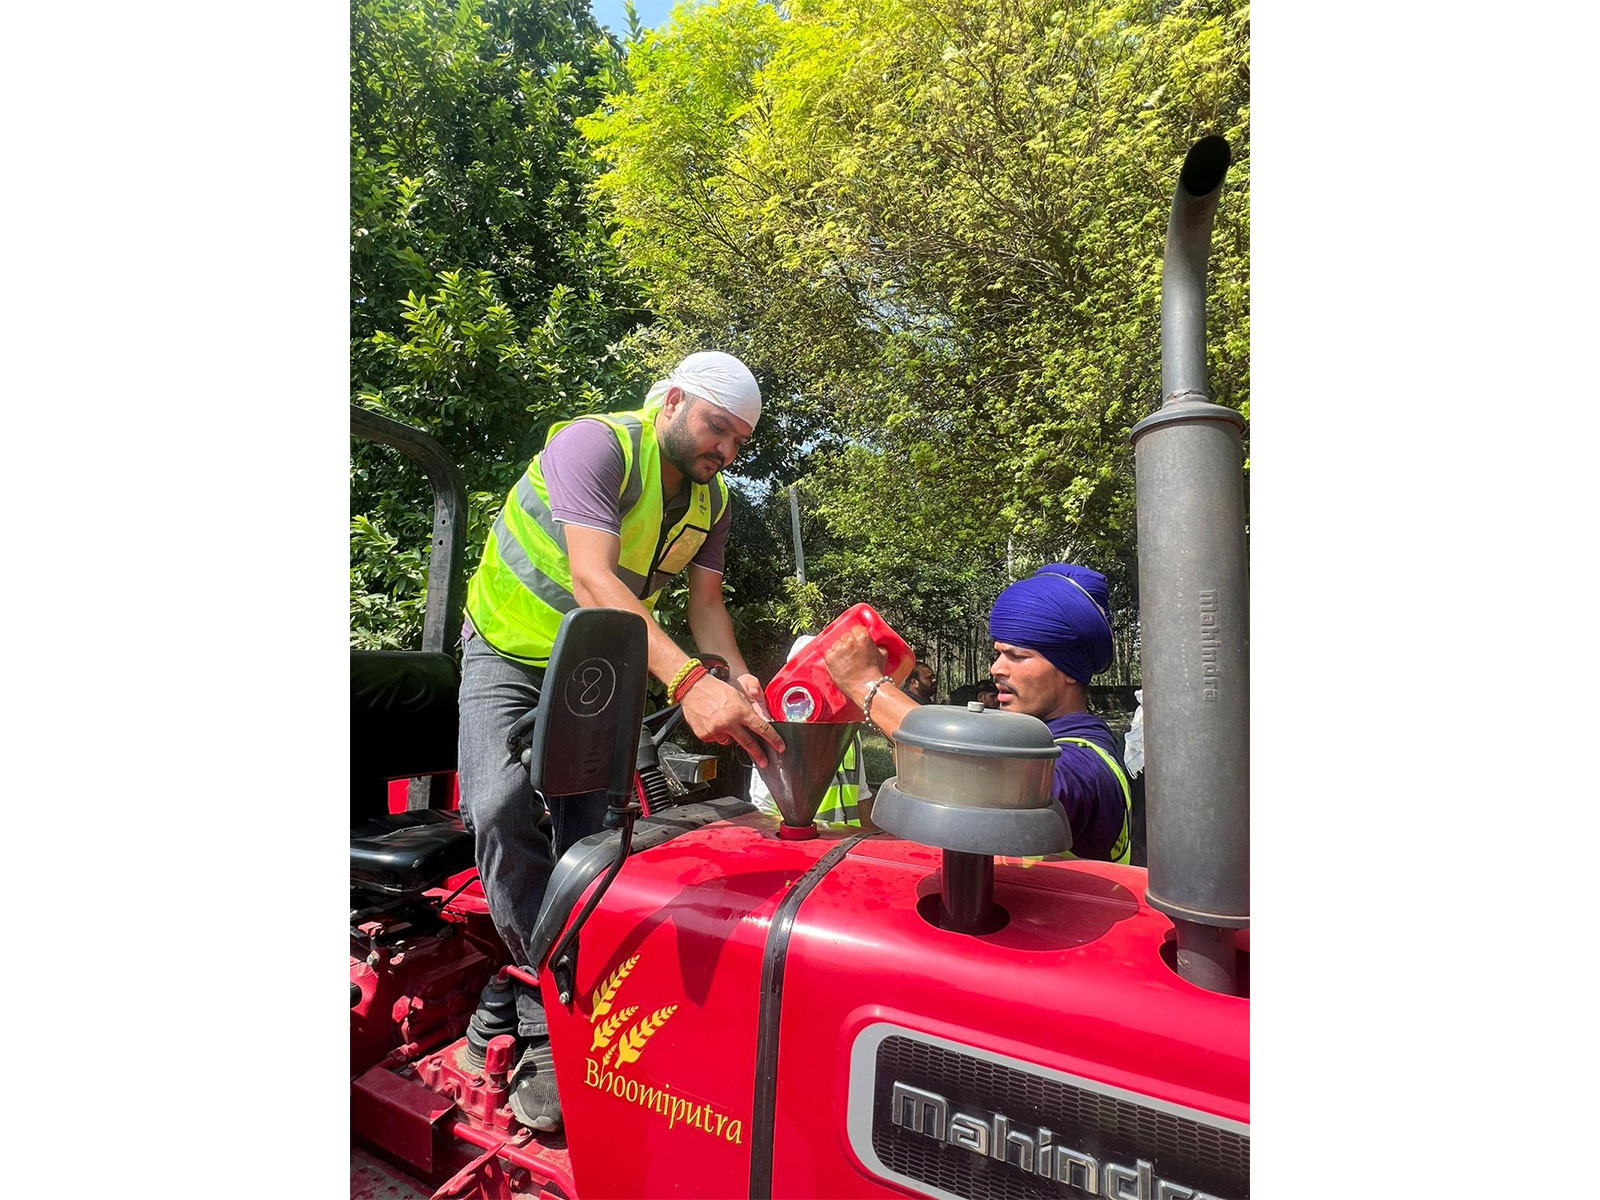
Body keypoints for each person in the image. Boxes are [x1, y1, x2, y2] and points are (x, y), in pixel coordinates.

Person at [457, 350, 785, 1130]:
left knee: (594, 835)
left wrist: (735, 678)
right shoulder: (595, 445)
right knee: (500, 808)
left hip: (596, 663)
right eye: (717, 429)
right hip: (506, 647)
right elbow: (594, 581)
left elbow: (706, 609)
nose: (726, 452)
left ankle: (559, 988)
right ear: (672, 401)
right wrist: (687, 683)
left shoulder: (714, 499)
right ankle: (543, 1010)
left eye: (740, 442)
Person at [823, 563, 1131, 863]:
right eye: (998, 653)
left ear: (1070, 670)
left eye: (1017, 656)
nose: (996, 668)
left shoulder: (1088, 766)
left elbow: (983, 783)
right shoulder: (1033, 743)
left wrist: (867, 685)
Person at [749, 635, 874, 827]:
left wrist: (866, 843)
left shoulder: (850, 729)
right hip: (805, 849)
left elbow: (862, 795)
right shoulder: (778, 733)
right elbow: (763, 809)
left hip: (845, 846)